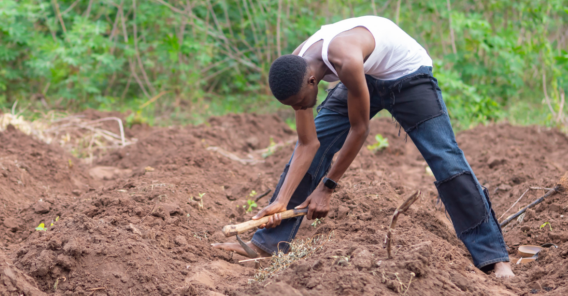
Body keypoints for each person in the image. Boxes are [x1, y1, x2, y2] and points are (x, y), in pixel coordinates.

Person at [213, 16, 514, 278]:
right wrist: (281, 201)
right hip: (365, 75)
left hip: (408, 77)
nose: (299, 109)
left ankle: (494, 257)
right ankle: (267, 245)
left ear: (313, 80)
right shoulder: (296, 68)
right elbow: (308, 143)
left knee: (446, 160)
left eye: (299, 103)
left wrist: (327, 186)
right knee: (316, 150)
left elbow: (360, 130)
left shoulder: (345, 61)